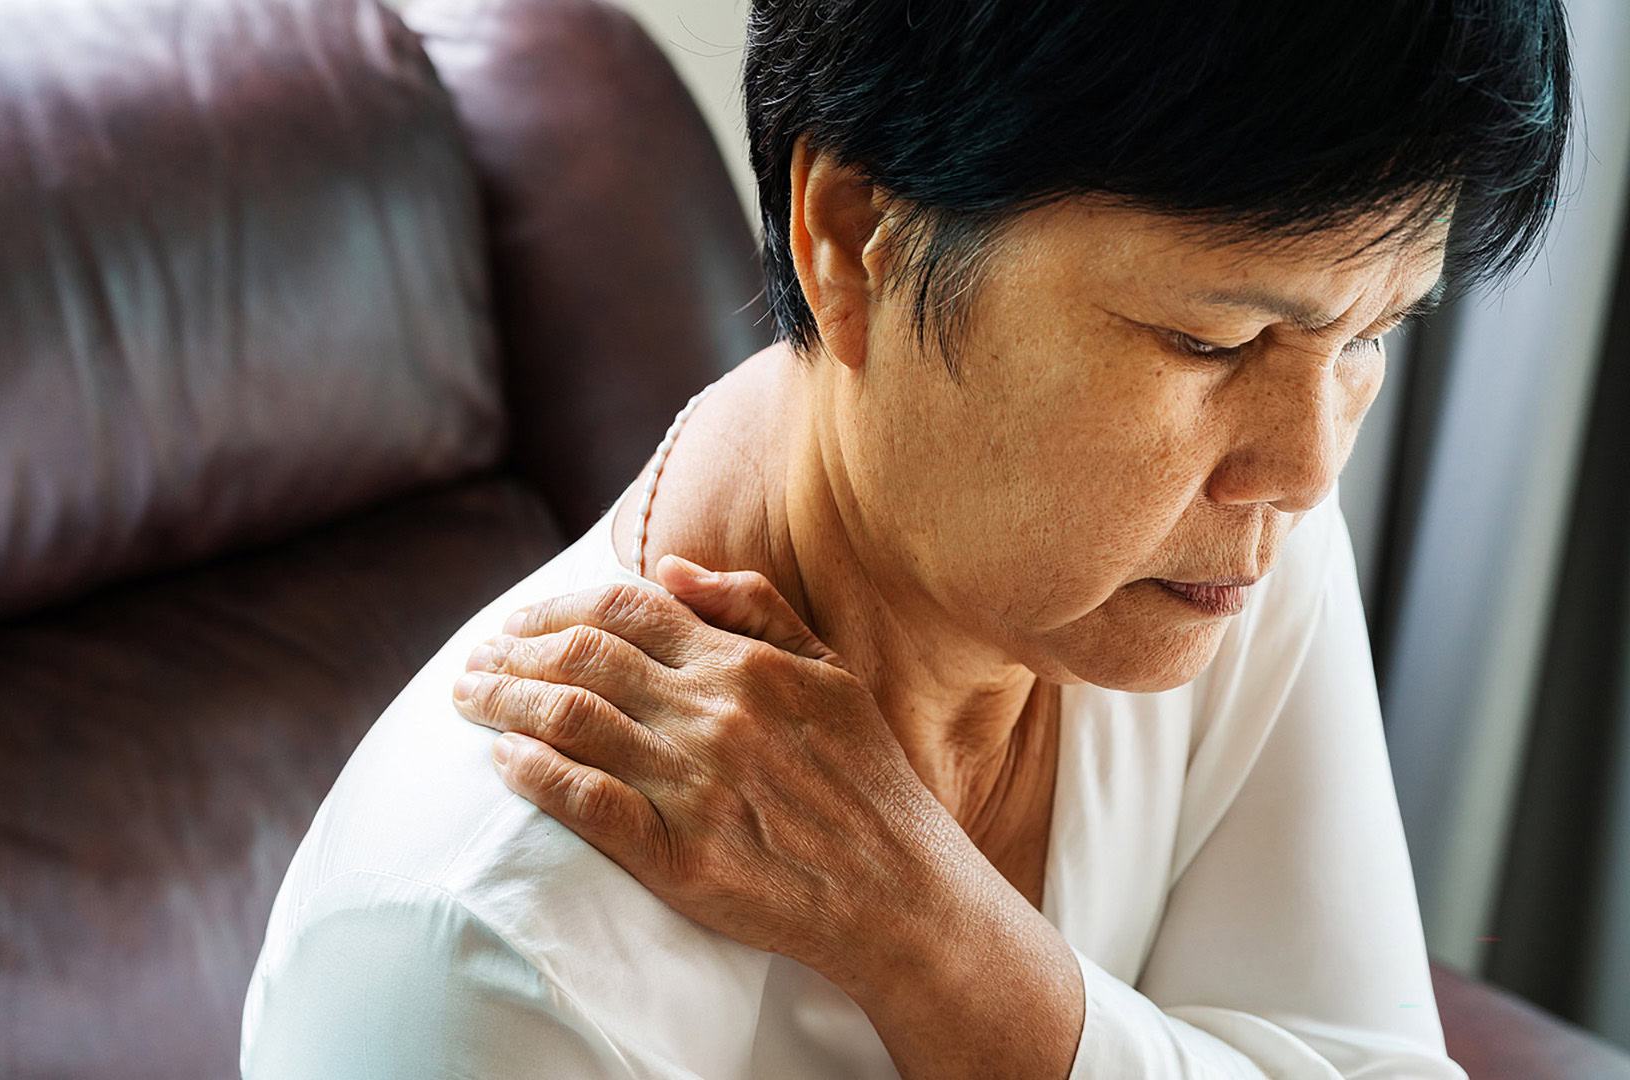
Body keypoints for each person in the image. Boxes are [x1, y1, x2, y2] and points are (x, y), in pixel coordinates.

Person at [240, 0, 1571, 1075]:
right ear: (852, 236)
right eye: (1208, 340)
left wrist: (930, 935)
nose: (1304, 468)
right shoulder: (478, 961)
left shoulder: (1209, 555)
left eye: (1373, 334)